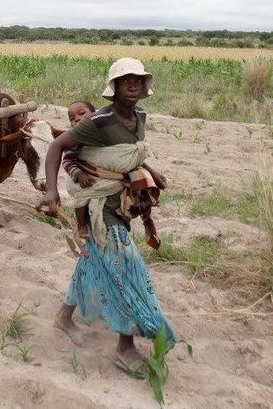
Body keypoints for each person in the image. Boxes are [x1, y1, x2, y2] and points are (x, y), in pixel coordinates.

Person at [36, 58, 172, 376]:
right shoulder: (98, 121)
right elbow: (57, 147)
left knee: (92, 259)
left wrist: (151, 170)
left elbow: (132, 152)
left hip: (121, 205)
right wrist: (52, 191)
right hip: (99, 206)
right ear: (113, 88)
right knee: (127, 268)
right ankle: (125, 347)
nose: (133, 85)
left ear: (145, 85)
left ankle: (64, 317)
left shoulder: (139, 116)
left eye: (138, 79)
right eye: (125, 80)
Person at [62, 100, 96, 249]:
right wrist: (79, 175)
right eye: (72, 118)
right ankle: (81, 225)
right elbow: (67, 161)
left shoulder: (103, 132)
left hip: (102, 173)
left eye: (82, 113)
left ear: (95, 115)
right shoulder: (75, 138)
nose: (77, 118)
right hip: (82, 174)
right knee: (80, 194)